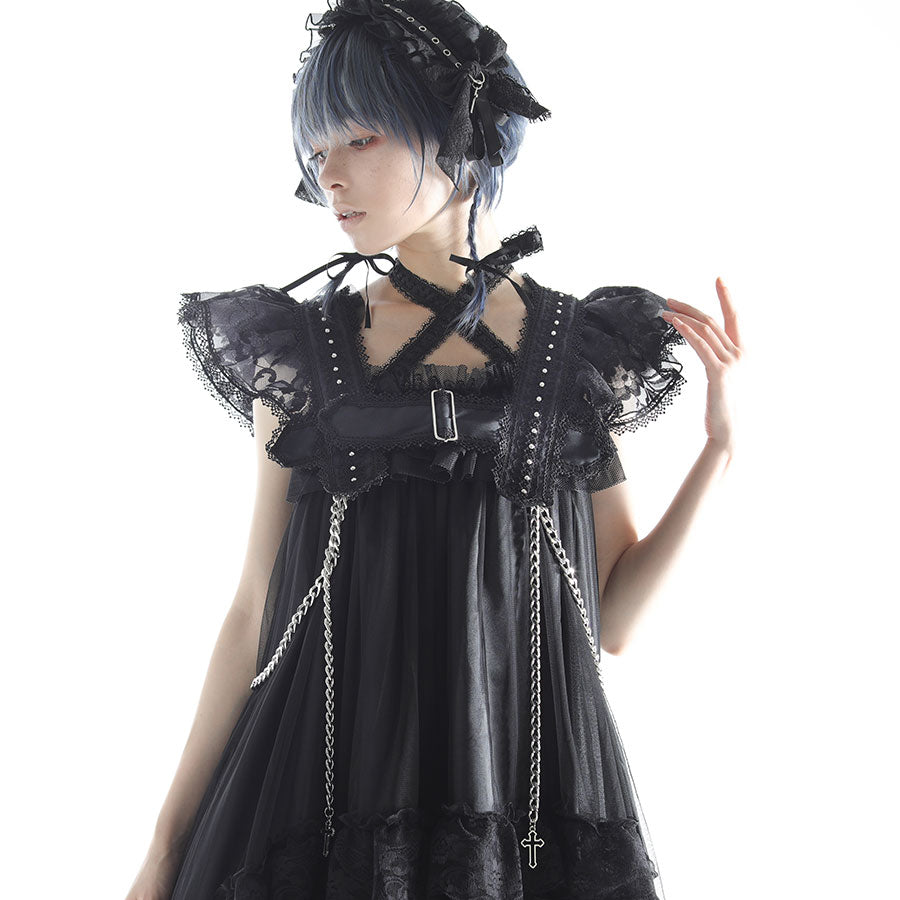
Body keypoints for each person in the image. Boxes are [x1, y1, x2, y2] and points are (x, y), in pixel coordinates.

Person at [126, 1, 742, 897]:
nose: (329, 176)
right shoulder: (298, 350)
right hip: (321, 799)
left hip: (527, 805)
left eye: (360, 138)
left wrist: (719, 452)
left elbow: (612, 620)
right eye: (315, 150)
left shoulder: (576, 351)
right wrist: (163, 846)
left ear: (460, 134)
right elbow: (258, 607)